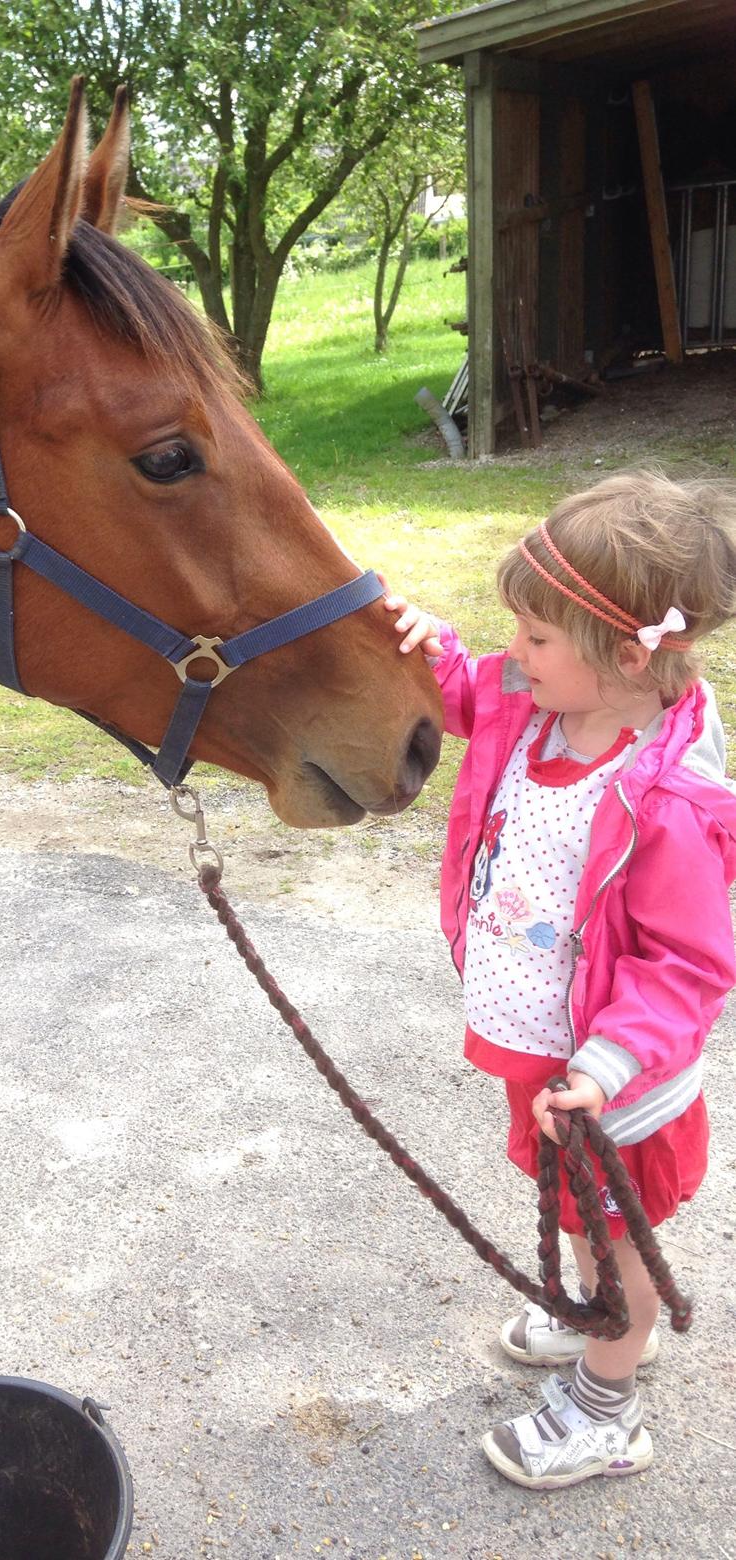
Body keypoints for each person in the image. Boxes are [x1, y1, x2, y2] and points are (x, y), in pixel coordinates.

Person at [384, 470, 736, 1490]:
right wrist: (415, 635)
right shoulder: (541, 707)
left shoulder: (667, 800)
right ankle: (595, 1311)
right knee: (581, 1215)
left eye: (535, 638)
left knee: (619, 1233)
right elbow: (461, 684)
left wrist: (606, 1065)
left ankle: (605, 1409)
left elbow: (688, 964)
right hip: (542, 1052)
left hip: (609, 1088)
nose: (513, 655)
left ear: (627, 656)